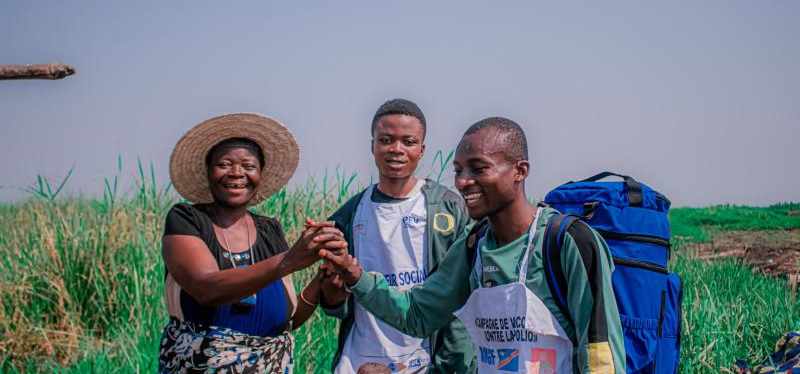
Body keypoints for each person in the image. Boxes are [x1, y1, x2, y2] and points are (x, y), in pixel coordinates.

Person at [321, 117, 626, 373]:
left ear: (520, 171)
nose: (463, 181)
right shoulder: (473, 247)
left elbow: (601, 353)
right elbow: (417, 314)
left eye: (478, 169)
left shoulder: (567, 242)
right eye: (458, 170)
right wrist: (354, 275)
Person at [158, 113, 346, 374]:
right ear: (208, 171)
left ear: (260, 175)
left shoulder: (269, 230)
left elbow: (283, 321)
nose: (237, 173)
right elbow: (206, 289)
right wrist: (290, 260)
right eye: (224, 164)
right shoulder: (188, 220)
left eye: (248, 166)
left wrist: (322, 280)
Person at [318, 99, 475, 373]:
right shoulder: (349, 214)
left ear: (422, 149)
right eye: (386, 139)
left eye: (408, 141)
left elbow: (461, 300)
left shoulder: (450, 208)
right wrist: (332, 297)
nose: (397, 150)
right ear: (372, 145)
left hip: (425, 360)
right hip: (360, 361)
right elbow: (336, 302)